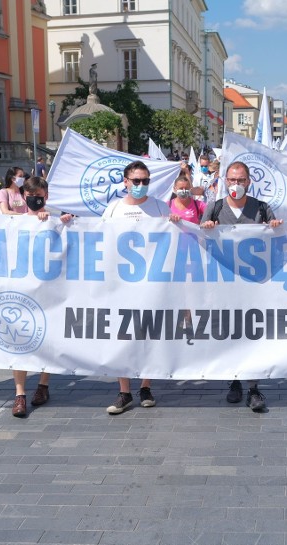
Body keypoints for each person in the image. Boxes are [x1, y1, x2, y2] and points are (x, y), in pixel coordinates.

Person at [200, 161, 284, 412]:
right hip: (224, 283)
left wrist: (277, 228)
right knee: (230, 332)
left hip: (253, 283)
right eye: (232, 180)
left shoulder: (261, 207)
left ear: (249, 182)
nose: (236, 184)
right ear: (225, 181)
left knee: (252, 333)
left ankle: (254, 388)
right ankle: (233, 380)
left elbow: (277, 236)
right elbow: (201, 239)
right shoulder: (214, 208)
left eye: (241, 180)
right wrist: (207, 228)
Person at [102, 160, 178, 415]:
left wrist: (176, 223)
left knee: (148, 335)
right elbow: (97, 239)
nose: (141, 185)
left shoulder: (159, 206)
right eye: (136, 181)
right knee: (121, 336)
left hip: (152, 284)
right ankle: (124, 391)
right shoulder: (113, 210)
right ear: (125, 182)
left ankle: (145, 385)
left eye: (146, 181)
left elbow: (174, 240)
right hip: (120, 285)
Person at [12, 176, 73, 417]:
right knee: (19, 341)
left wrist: (67, 222)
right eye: (30, 196)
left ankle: (43, 384)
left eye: (39, 196)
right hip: (22, 287)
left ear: (46, 196)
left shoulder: (56, 218)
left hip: (50, 288)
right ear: (23, 197)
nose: (35, 200)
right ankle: (19, 394)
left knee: (48, 336)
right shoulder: (14, 222)